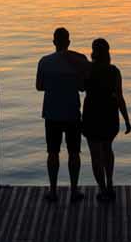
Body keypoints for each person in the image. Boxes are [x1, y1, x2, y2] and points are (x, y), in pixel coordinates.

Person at [35, 27, 90, 203]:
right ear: (68, 42)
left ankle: (53, 191)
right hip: (72, 113)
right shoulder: (78, 61)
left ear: (54, 42)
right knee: (74, 153)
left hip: (51, 114)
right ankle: (74, 191)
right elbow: (83, 86)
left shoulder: (44, 62)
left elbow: (39, 86)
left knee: (52, 153)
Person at [82, 37, 130, 202]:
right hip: (109, 114)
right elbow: (120, 98)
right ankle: (109, 183)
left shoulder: (87, 69)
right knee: (107, 150)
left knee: (95, 154)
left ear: (93, 52)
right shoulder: (114, 71)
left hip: (91, 115)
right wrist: (127, 119)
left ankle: (102, 189)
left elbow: (81, 87)